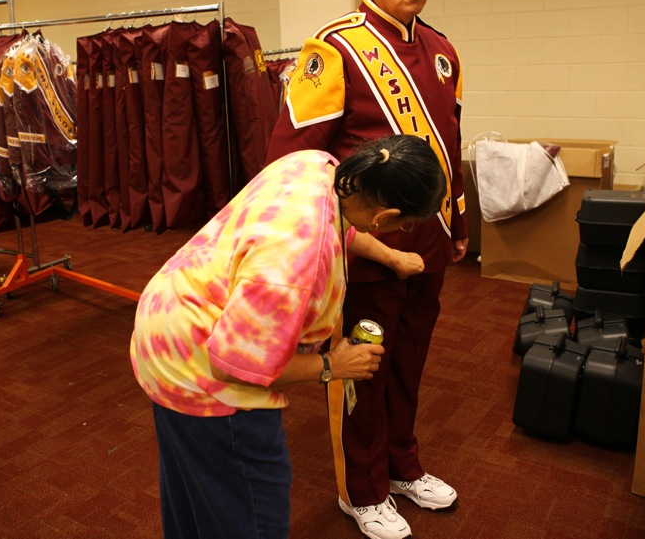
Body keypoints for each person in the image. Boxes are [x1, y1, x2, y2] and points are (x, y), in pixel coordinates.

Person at [130, 134, 447, 539]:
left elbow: (344, 222)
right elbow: (237, 364)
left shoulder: (319, 167)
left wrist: (391, 256)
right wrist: (333, 365)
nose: (401, 231)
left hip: (170, 319)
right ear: (385, 217)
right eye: (404, 225)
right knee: (253, 512)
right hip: (202, 371)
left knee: (195, 490)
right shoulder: (298, 261)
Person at [265, 0, 469, 539]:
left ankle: (403, 464)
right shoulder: (334, 49)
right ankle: (365, 487)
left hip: (426, 244)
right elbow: (290, 163)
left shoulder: (442, 51)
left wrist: (456, 221)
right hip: (366, 251)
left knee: (410, 360)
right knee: (364, 365)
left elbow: (448, 145)